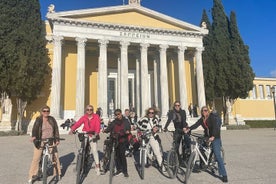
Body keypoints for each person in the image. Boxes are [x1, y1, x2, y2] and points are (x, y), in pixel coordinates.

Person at [188, 106, 228, 183]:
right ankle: (203, 163)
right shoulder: (202, 119)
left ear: (208, 111)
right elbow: (195, 125)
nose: (204, 112)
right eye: (203, 111)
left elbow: (216, 128)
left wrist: (213, 136)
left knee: (217, 156)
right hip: (207, 137)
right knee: (199, 147)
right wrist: (188, 128)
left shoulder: (212, 117)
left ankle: (224, 174)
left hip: (215, 137)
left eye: (206, 110)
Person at [28, 106, 61, 184]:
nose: (46, 112)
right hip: (40, 140)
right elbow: (35, 129)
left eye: (47, 111)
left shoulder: (52, 119)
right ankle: (32, 176)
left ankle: (58, 173)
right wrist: (34, 137)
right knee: (36, 158)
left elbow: (56, 129)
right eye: (44, 111)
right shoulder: (38, 120)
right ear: (41, 112)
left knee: (55, 157)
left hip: (51, 140)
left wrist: (57, 139)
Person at [69, 105, 101, 176]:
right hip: (85, 133)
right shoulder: (84, 117)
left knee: (94, 150)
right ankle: (81, 163)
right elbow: (78, 123)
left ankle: (97, 166)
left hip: (93, 134)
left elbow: (98, 125)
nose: (89, 111)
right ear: (85, 110)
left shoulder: (96, 116)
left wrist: (96, 133)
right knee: (82, 148)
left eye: (91, 109)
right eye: (88, 110)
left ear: (93, 110)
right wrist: (72, 129)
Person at [103, 109, 131, 177]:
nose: (117, 115)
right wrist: (105, 130)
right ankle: (119, 169)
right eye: (116, 114)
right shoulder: (114, 122)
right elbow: (109, 128)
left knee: (122, 155)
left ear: (121, 113)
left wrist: (127, 131)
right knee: (116, 156)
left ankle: (125, 171)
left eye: (118, 114)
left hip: (122, 139)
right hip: (115, 140)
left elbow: (128, 128)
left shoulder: (125, 121)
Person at [137, 107, 166, 172]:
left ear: (154, 113)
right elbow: (138, 125)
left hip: (152, 136)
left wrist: (157, 129)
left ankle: (162, 166)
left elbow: (160, 126)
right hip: (145, 136)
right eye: (149, 113)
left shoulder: (156, 119)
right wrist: (138, 133)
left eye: (152, 113)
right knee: (145, 151)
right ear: (147, 113)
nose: (151, 114)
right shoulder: (143, 119)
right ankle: (148, 159)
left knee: (157, 152)